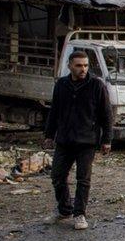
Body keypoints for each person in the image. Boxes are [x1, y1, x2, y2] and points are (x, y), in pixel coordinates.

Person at [43, 51, 113, 230]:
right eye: (79, 65)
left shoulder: (96, 85)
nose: (83, 69)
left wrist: (107, 139)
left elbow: (106, 115)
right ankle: (64, 209)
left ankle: (79, 214)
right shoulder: (61, 85)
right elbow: (54, 111)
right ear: (70, 66)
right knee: (57, 176)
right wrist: (49, 135)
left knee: (83, 179)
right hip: (65, 140)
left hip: (86, 141)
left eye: (86, 65)